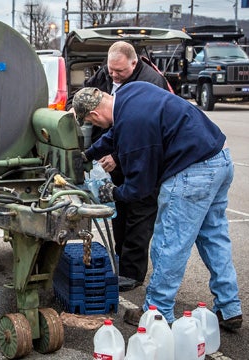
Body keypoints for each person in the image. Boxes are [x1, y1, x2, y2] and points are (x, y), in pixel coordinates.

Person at [72, 83, 243, 330]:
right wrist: (89, 154)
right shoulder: (130, 93)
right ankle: (230, 308)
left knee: (169, 243)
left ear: (94, 115)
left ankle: (157, 312)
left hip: (191, 172)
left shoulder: (133, 126)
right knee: (213, 238)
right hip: (220, 159)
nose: (96, 127)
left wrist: (114, 192)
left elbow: (141, 187)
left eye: (91, 123)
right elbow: (115, 134)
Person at [69, 41, 172, 292]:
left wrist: (116, 156)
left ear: (134, 64)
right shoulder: (106, 74)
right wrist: (90, 154)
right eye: (110, 69)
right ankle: (121, 261)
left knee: (140, 211)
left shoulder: (149, 82)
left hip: (144, 154)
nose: (113, 75)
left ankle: (133, 273)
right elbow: (110, 126)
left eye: (119, 71)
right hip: (122, 154)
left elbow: (139, 136)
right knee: (120, 213)